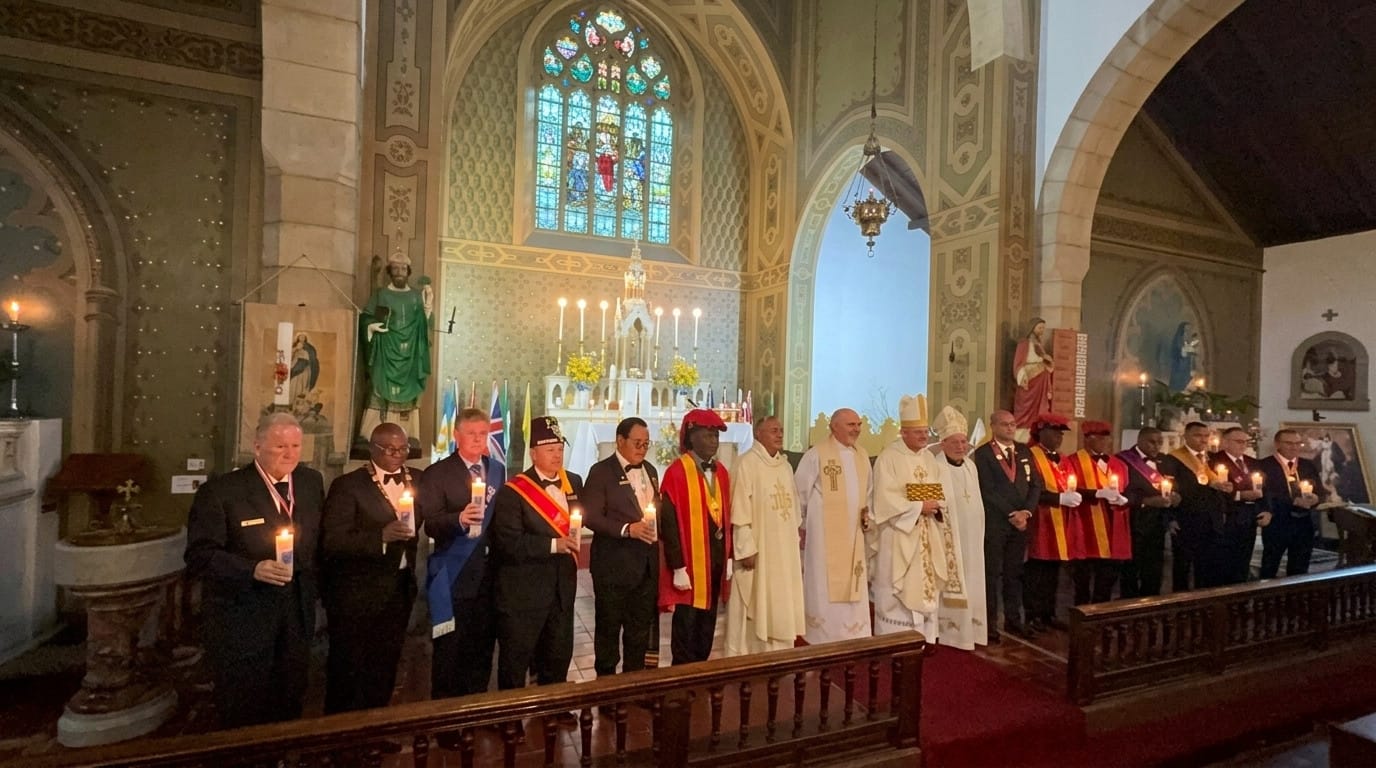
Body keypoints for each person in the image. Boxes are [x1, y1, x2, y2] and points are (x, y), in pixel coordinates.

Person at [184, 413, 324, 728]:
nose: (290, 454)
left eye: (296, 446)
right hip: (244, 615)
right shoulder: (222, 491)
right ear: (257, 446)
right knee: (244, 701)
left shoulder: (310, 482)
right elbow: (199, 555)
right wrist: (252, 569)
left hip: (296, 612)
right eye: (280, 446)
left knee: (291, 692)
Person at [320, 422, 419, 713]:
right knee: (348, 667)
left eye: (403, 449)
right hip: (357, 593)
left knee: (385, 663)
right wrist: (380, 537)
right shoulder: (348, 485)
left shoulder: (416, 480)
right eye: (390, 449)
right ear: (373, 449)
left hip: (399, 588)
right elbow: (333, 541)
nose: (398, 455)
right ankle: (340, 730)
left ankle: (377, 724)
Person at [489, 416, 582, 697]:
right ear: (533, 453)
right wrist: (554, 545)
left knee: (558, 654)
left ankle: (554, 708)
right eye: (550, 449)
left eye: (560, 449)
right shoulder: (513, 491)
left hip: (562, 588)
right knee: (516, 660)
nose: (557, 455)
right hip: (524, 591)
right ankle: (512, 714)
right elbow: (508, 543)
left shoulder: (573, 482)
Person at [872, 394, 972, 647]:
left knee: (926, 582)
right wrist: (918, 506)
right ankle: (894, 640)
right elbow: (884, 498)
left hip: (926, 531)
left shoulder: (928, 458)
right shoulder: (888, 457)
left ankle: (924, 636)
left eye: (925, 432)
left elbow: (938, 490)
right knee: (899, 586)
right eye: (918, 432)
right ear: (903, 432)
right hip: (899, 534)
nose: (924, 436)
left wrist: (930, 503)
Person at [419, 408, 503, 700]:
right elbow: (430, 525)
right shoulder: (437, 473)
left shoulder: (497, 470)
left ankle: (476, 705)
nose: (478, 439)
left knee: (482, 647)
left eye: (483, 434)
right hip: (454, 574)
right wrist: (458, 519)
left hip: (488, 574)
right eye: (471, 434)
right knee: (451, 649)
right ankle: (446, 714)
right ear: (457, 435)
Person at [583, 417, 660, 677]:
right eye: (637, 443)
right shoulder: (601, 472)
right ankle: (606, 688)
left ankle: (633, 686)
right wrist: (627, 529)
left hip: (645, 567)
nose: (642, 449)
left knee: (638, 633)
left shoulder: (650, 470)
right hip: (613, 567)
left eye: (646, 444)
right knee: (608, 632)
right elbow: (591, 517)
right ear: (620, 441)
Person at [726, 415, 806, 656]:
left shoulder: (785, 466)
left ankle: (780, 652)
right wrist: (745, 548)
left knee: (781, 597)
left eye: (781, 430)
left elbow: (794, 508)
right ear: (758, 434)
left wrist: (793, 538)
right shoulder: (747, 463)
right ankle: (750, 653)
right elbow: (739, 509)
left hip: (783, 548)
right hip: (758, 549)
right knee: (755, 598)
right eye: (773, 430)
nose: (779, 434)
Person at [659, 409, 732, 664]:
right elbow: (667, 523)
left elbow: (726, 516)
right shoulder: (677, 472)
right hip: (689, 565)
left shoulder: (721, 472)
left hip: (715, 561)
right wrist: (678, 566)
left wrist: (728, 557)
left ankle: (701, 670)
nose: (713, 441)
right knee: (686, 626)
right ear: (691, 437)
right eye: (707, 435)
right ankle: (682, 677)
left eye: (716, 436)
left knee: (707, 623)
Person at [796, 408, 872, 644]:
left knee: (854, 578)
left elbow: (868, 492)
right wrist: (800, 526)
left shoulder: (862, 456)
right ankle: (823, 634)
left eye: (858, 424)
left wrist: (867, 515)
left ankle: (854, 631)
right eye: (851, 425)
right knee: (823, 580)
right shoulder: (816, 455)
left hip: (854, 533)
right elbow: (799, 492)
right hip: (823, 535)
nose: (856, 429)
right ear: (834, 427)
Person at [919, 405, 988, 648]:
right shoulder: (933, 466)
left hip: (972, 537)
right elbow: (923, 499)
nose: (961, 446)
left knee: (973, 578)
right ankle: (949, 631)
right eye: (955, 442)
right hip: (947, 536)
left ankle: (972, 629)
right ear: (943, 443)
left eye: (963, 442)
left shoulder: (971, 466)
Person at [972, 409, 1042, 639]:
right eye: (1004, 424)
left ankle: (1013, 620)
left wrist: (1026, 512)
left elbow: (1036, 485)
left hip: (1020, 523)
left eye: (1013, 424)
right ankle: (989, 624)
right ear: (993, 426)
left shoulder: (1024, 451)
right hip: (996, 523)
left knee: (1014, 573)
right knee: (991, 574)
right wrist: (1012, 513)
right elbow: (987, 490)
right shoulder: (983, 454)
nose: (1010, 428)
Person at [359, 250, 433, 448]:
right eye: (395, 268)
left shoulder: (416, 296)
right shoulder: (381, 294)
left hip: (410, 353)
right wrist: (371, 327)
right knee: (377, 387)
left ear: (408, 272)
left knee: (410, 393)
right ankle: (371, 434)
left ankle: (409, 435)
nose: (399, 272)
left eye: (403, 268)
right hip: (385, 349)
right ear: (389, 271)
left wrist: (428, 306)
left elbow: (424, 324)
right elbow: (366, 317)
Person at [1061, 421, 1132, 604]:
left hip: (1112, 526)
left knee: (1108, 576)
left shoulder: (1119, 464)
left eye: (1106, 438)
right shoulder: (1072, 461)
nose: (1104, 442)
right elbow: (1068, 489)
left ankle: (1102, 611)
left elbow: (1127, 490)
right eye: (1098, 438)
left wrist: (1124, 499)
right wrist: (1097, 493)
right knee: (1081, 577)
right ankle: (1081, 612)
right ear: (1087, 439)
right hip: (1084, 523)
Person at [1197, 427, 1272, 587]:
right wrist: (1239, 495)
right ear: (1225, 442)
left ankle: (1240, 595)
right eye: (1238, 441)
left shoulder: (1252, 462)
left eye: (1245, 442)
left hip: (1249, 520)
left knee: (1242, 564)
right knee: (1221, 566)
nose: (1243, 445)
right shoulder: (1212, 461)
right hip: (1225, 520)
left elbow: (1264, 489)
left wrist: (1266, 510)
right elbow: (1209, 492)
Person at [1024, 413, 1078, 631]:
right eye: (1055, 433)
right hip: (1040, 519)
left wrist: (1073, 495)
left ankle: (1049, 613)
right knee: (1036, 571)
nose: (1059, 438)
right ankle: (1032, 615)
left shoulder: (1063, 458)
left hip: (1060, 521)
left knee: (1054, 571)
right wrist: (1058, 498)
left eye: (1061, 434)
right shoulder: (1030, 455)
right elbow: (1029, 489)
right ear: (1042, 433)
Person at [1116, 428, 1181, 598]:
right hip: (1133, 520)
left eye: (1160, 442)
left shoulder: (1165, 461)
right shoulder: (1123, 460)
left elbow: (1174, 486)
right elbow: (1119, 491)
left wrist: (1175, 497)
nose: (1156, 446)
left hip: (1158, 523)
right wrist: (1146, 501)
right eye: (1152, 442)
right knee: (1131, 569)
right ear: (1139, 440)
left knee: (1154, 570)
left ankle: (1150, 604)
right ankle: (1128, 605)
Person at [1157, 421, 1216, 592]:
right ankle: (1181, 602)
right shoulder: (1173, 459)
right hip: (1185, 518)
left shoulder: (1211, 459)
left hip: (1209, 519)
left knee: (1206, 566)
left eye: (1206, 436)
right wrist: (1170, 518)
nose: (1203, 440)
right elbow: (1168, 489)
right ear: (1186, 436)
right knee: (1182, 565)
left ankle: (1204, 600)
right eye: (1198, 435)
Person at [1258, 429, 1324, 578]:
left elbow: (1320, 491)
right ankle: (1266, 592)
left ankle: (1296, 593)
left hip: (1303, 522)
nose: (1294, 447)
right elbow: (1265, 493)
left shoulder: (1307, 465)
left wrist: (1315, 499)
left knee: (1300, 567)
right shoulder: (1265, 465)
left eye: (1297, 443)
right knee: (1270, 565)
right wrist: (1293, 501)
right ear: (1277, 444)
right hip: (1277, 522)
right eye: (1289, 443)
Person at [1012, 318, 1055, 431]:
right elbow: (1019, 362)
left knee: (1038, 407)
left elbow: (1042, 358)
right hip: (1029, 379)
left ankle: (1035, 426)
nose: (1042, 330)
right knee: (1025, 406)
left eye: (1043, 328)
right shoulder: (1024, 343)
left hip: (1039, 382)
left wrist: (1046, 360)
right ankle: (1022, 426)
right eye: (1040, 328)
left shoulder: (1038, 344)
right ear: (1032, 328)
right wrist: (1023, 375)